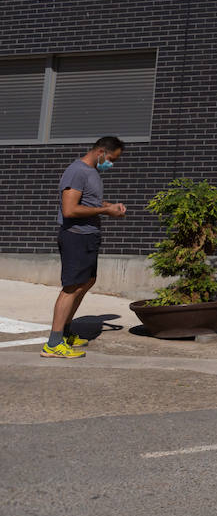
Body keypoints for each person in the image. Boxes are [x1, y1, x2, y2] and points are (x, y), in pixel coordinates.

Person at [43, 136, 126, 359]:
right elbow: (70, 210)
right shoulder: (77, 171)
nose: (111, 164)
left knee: (86, 281)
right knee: (71, 287)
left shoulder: (92, 173)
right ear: (100, 151)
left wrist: (109, 206)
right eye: (111, 159)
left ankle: (66, 333)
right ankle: (53, 344)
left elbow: (89, 203)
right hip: (75, 236)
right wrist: (104, 212)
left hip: (89, 236)